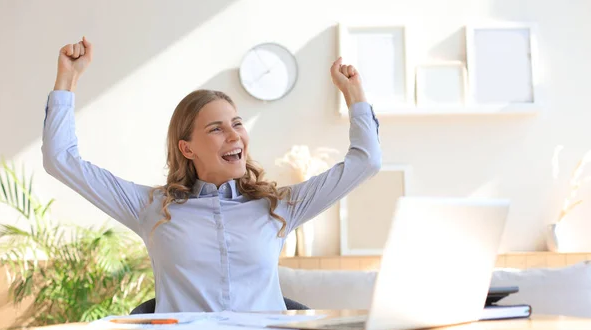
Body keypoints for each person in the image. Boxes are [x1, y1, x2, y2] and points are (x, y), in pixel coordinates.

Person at [43, 36, 382, 314]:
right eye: (216, 129)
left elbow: (365, 162)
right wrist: (67, 80)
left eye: (237, 124)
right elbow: (61, 160)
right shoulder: (151, 207)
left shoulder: (279, 206)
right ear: (187, 148)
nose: (234, 136)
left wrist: (354, 96)